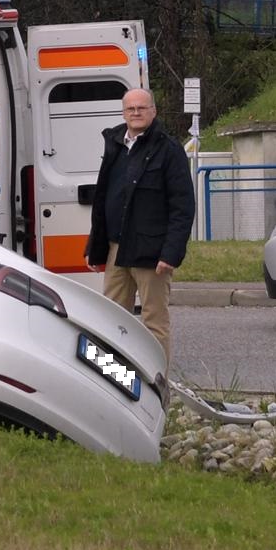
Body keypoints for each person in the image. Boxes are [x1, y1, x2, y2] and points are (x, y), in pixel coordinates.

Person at [85, 87, 194, 360]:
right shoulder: (115, 144)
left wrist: (171, 253)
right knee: (111, 324)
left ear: (153, 111)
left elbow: (183, 206)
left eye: (141, 108)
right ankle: (119, 389)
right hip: (116, 250)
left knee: (154, 324)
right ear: (124, 113)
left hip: (152, 253)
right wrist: (94, 245)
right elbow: (103, 199)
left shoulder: (168, 150)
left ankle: (157, 394)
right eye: (130, 109)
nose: (136, 113)